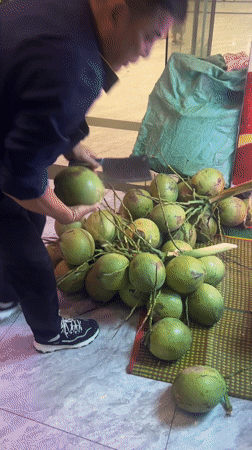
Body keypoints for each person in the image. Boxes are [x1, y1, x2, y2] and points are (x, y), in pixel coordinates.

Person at [0, 0, 187, 353]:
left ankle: (5, 296)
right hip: (7, 157)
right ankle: (49, 333)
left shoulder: (67, 13)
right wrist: (65, 214)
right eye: (148, 37)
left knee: (20, 223)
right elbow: (20, 180)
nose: (147, 52)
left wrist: (72, 144)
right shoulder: (75, 68)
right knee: (23, 238)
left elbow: (30, 90)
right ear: (116, 13)